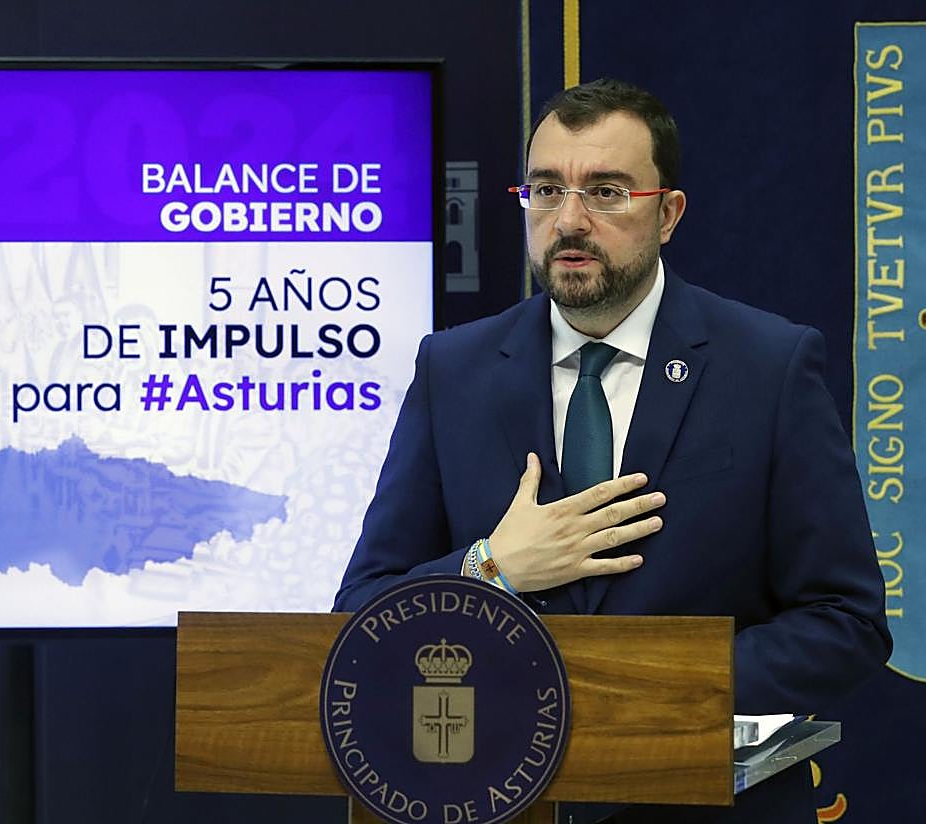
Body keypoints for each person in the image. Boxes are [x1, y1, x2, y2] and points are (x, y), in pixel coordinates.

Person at [333, 79, 891, 824]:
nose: (569, 220)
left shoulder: (769, 367)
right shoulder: (453, 371)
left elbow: (846, 621)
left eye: (606, 192)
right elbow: (361, 612)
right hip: (496, 800)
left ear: (668, 214)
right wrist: (491, 570)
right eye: (545, 190)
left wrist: (631, 684)